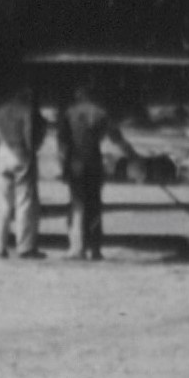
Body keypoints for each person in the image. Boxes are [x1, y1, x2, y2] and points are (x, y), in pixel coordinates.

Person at [57, 85, 113, 260]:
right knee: (95, 204)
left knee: (77, 204)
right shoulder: (101, 113)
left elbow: (62, 143)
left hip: (75, 163)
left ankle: (76, 247)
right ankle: (95, 249)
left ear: (77, 97)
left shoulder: (69, 113)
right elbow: (111, 135)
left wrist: (63, 165)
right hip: (94, 162)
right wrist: (132, 155)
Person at [0, 90, 42, 258]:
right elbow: (28, 134)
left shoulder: (1, 111)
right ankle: (25, 247)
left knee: (3, 205)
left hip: (2, 154)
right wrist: (30, 152)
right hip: (20, 153)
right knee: (24, 202)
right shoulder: (26, 111)